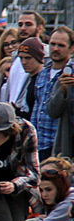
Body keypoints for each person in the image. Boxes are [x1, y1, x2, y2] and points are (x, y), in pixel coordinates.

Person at [31, 26, 73, 161]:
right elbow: (37, 107)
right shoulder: (43, 72)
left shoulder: (70, 75)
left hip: (59, 144)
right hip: (39, 143)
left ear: (71, 49)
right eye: (52, 44)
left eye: (61, 45)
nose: (55, 48)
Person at [12, 37, 45, 120]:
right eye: (21, 58)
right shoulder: (28, 78)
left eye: (28, 58)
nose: (23, 62)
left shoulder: (43, 80)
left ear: (38, 57)